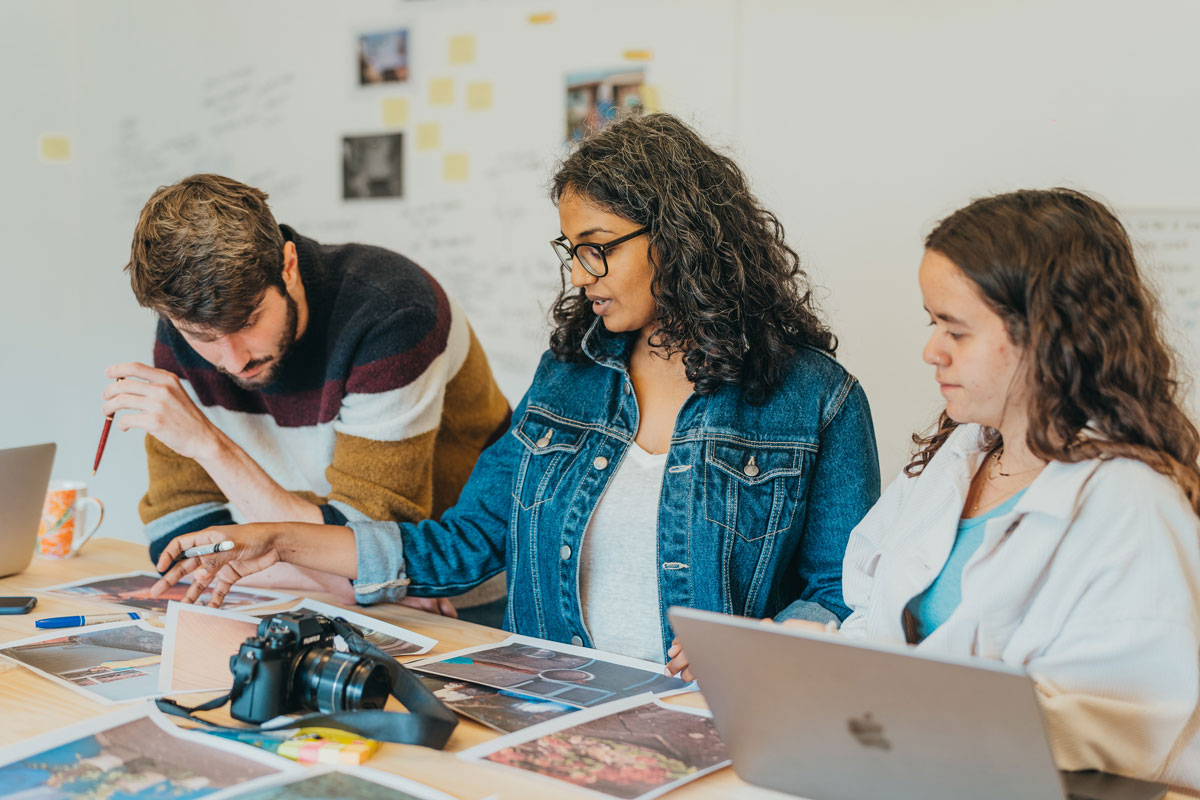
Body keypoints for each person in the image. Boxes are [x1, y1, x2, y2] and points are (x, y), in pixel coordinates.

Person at [149, 114, 881, 663]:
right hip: (552, 702)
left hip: (712, 718)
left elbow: (843, 593)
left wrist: (778, 641)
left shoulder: (818, 401)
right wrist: (282, 538)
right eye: (572, 251)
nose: (579, 275)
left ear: (683, 236)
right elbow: (465, 543)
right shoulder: (569, 379)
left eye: (598, 249)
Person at [796, 189, 1199, 790]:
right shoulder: (950, 460)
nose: (930, 351)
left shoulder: (1134, 507)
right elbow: (874, 613)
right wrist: (818, 660)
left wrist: (904, 704)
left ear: (1048, 338)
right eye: (931, 322)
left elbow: (1129, 728)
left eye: (955, 331)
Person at [104, 174, 511, 624]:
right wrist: (342, 576)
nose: (233, 360)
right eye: (203, 337)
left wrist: (209, 446)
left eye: (249, 320)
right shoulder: (188, 327)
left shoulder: (393, 313)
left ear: (288, 265)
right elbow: (175, 544)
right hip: (335, 598)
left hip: (458, 594)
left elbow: (367, 547)